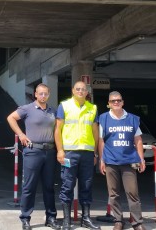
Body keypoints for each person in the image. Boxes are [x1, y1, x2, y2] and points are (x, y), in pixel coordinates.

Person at [7, 83, 59, 229]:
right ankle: (25, 217)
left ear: (48, 94)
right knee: (29, 186)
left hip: (49, 151)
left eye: (45, 94)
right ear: (35, 94)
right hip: (33, 151)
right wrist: (21, 134)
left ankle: (51, 217)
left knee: (49, 186)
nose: (43, 96)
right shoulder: (27, 108)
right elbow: (11, 118)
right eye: (40, 93)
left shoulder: (52, 111)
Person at [55, 80, 101, 230]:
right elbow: (57, 130)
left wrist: (95, 154)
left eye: (83, 89)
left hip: (87, 154)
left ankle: (86, 219)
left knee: (86, 185)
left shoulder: (92, 108)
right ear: (73, 91)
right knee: (67, 185)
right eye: (78, 89)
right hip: (69, 154)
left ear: (87, 92)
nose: (81, 91)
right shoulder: (64, 105)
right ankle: (67, 221)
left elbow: (95, 132)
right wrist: (60, 150)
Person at [98, 91, 146, 230]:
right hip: (110, 161)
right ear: (109, 104)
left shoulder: (132, 118)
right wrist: (102, 160)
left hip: (128, 161)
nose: (116, 102)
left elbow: (138, 140)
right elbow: (101, 142)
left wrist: (141, 159)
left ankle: (137, 222)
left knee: (133, 193)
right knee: (113, 194)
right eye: (113, 101)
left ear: (123, 102)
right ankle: (118, 221)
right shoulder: (103, 119)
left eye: (118, 100)